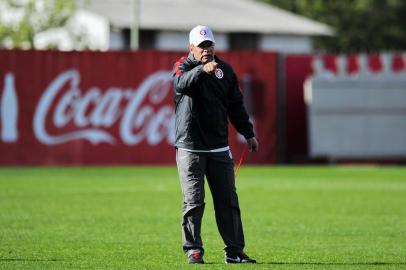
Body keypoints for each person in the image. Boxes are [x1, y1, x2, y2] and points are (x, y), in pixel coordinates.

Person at [172, 25, 259, 264]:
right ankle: (194, 250)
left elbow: (236, 106)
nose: (206, 50)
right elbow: (181, 85)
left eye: (209, 45)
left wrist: (248, 133)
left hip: (219, 148)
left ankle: (234, 252)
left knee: (228, 201)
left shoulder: (226, 72)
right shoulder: (183, 67)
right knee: (194, 201)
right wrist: (202, 70)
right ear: (191, 48)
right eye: (201, 46)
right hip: (190, 147)